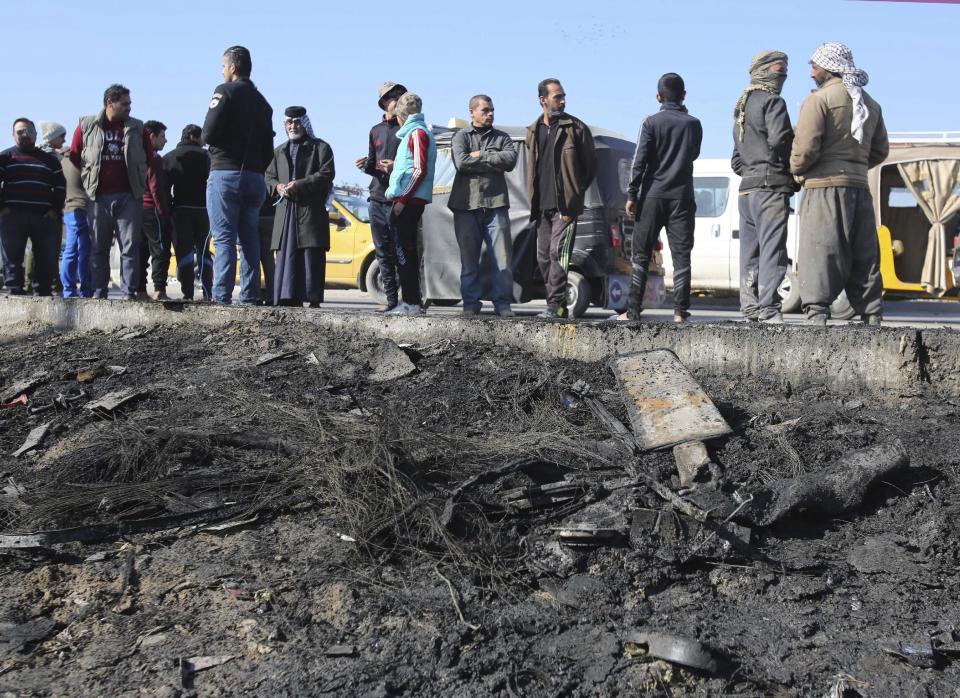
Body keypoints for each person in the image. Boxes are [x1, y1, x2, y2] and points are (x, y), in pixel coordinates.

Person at [790, 42, 889, 326]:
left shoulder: (818, 100)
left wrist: (796, 170)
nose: (811, 73)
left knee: (820, 250)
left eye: (814, 67)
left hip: (823, 188)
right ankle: (871, 315)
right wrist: (856, 167)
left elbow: (806, 148)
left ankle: (817, 317)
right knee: (864, 254)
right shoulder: (870, 103)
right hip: (859, 189)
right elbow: (880, 151)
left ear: (829, 67)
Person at [618, 73, 702, 324]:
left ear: (658, 97)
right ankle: (680, 313)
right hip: (682, 197)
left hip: (653, 196)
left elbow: (640, 161)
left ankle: (632, 312)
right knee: (681, 256)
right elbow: (693, 154)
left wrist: (632, 194)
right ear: (684, 95)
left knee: (641, 256)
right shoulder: (693, 124)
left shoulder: (651, 123)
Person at [202, 45, 274, 305]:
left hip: (225, 173)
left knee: (223, 239)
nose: (221, 71)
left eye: (223, 66)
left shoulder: (224, 92)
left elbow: (207, 133)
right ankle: (249, 296)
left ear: (232, 68)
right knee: (249, 240)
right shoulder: (263, 103)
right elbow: (268, 150)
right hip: (255, 177)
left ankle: (221, 298)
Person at [69, 84, 151, 300]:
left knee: (130, 247)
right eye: (124, 104)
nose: (129, 108)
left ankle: (129, 293)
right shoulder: (87, 126)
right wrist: (90, 179)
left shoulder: (137, 127)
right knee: (98, 248)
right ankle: (99, 292)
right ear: (109, 103)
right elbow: (76, 156)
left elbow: (149, 158)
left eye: (130, 104)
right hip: (98, 197)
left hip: (129, 196)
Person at [731, 51, 795, 324]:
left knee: (750, 252)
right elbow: (782, 140)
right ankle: (769, 309)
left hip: (747, 191)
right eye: (780, 70)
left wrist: (753, 169)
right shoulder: (773, 102)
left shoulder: (742, 106)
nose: (783, 76)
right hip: (771, 188)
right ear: (766, 71)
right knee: (773, 250)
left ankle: (750, 309)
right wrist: (787, 171)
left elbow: (736, 160)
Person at [525, 79, 596, 318]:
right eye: (557, 96)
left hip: (565, 207)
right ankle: (555, 303)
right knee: (543, 257)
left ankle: (555, 306)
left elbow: (589, 169)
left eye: (563, 96)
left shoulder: (576, 128)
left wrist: (573, 197)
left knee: (558, 253)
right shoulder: (533, 131)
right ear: (543, 100)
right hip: (541, 206)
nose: (563, 100)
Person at [449, 94, 518, 317]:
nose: (490, 114)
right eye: (485, 110)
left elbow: (510, 160)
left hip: (495, 204)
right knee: (469, 261)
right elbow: (461, 162)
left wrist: (481, 155)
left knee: (503, 260)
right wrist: (492, 161)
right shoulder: (460, 137)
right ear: (472, 112)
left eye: (492, 110)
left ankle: (503, 304)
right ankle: (470, 304)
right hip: (466, 206)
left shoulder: (502, 137)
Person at [265, 106, 335, 307]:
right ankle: (287, 297)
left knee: (310, 255)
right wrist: (277, 187)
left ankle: (312, 299)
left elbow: (326, 174)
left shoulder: (321, 148)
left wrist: (300, 185)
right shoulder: (279, 151)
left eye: (296, 122)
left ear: (304, 123)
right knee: (286, 256)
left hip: (309, 211)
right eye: (289, 122)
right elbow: (268, 176)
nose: (293, 126)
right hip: (286, 211)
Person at [384, 92, 436, 315]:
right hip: (410, 199)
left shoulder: (416, 134)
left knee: (404, 251)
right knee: (406, 250)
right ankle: (412, 301)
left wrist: (402, 201)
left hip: (409, 201)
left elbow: (419, 170)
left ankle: (411, 303)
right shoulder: (415, 133)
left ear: (400, 115)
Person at [355, 81, 406, 311]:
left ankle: (409, 300)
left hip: (399, 200)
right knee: (383, 252)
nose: (399, 100)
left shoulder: (409, 129)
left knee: (402, 252)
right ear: (386, 102)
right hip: (377, 199)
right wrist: (365, 165)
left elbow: (415, 164)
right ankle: (391, 301)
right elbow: (372, 164)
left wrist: (395, 166)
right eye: (394, 97)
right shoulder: (375, 130)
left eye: (401, 96)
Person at [0, 118, 65, 295]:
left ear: (36, 135)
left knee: (45, 259)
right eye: (20, 132)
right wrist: (2, 209)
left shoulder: (49, 160)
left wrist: (54, 210)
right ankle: (15, 293)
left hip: (43, 217)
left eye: (29, 131)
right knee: (12, 260)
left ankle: (43, 296)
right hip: (12, 216)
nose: (25, 135)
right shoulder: (5, 157)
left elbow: (60, 185)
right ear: (13, 135)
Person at [163, 124, 212, 301]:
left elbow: (163, 189)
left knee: (183, 253)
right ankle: (208, 292)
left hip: (181, 210)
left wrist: (168, 209)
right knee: (204, 252)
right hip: (204, 210)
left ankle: (187, 293)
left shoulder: (169, 158)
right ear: (193, 136)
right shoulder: (208, 157)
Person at [137, 120, 172, 300]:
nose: (165, 141)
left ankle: (140, 290)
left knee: (140, 251)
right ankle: (160, 289)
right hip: (152, 209)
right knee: (160, 250)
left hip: (137, 209)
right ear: (152, 136)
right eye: (162, 136)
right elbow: (156, 187)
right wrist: (163, 212)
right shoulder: (155, 158)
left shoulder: (135, 155)